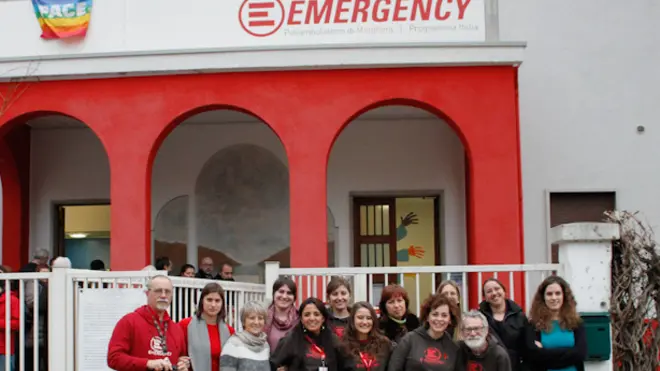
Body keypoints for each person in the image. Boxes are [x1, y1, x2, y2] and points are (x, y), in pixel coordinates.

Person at [107, 275, 189, 371]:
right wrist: (147, 363)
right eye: (158, 291)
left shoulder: (176, 328)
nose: (163, 295)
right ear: (147, 293)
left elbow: (182, 358)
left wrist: (183, 365)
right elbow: (113, 358)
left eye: (167, 291)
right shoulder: (129, 321)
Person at [387, 293, 461, 371]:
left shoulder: (453, 347)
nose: (439, 319)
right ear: (427, 317)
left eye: (444, 315)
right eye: (435, 314)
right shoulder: (409, 340)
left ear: (450, 320)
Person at [526, 276, 587, 371]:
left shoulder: (576, 323)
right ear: (543, 297)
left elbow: (580, 354)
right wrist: (569, 353)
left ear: (564, 296)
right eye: (549, 294)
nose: (554, 298)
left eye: (558, 293)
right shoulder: (533, 325)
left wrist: (545, 353)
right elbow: (534, 357)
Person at [270, 297, 343, 371]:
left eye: (316, 314)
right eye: (307, 315)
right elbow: (274, 364)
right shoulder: (291, 339)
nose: (312, 318)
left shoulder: (333, 340)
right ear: (301, 319)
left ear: (323, 318)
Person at [179, 282, 235, 371]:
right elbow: (178, 355)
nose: (213, 305)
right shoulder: (185, 325)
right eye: (209, 300)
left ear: (222, 304)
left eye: (217, 301)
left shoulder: (230, 331)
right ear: (202, 301)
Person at [478, 278, 530, 371]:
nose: (494, 293)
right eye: (489, 291)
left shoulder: (519, 315)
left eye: (497, 289)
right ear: (485, 297)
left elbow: (527, 347)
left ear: (504, 291)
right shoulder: (480, 318)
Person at [340, 302, 392, 371]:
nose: (365, 322)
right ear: (352, 320)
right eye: (360, 318)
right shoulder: (343, 346)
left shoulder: (384, 343)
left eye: (369, 318)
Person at [220, 301, 270, 371]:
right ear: (243, 321)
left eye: (260, 318)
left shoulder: (265, 345)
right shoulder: (233, 344)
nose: (256, 322)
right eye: (252, 318)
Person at [264, 277, 299, 352]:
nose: (284, 296)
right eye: (281, 291)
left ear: (294, 297)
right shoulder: (262, 317)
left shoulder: (300, 319)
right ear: (274, 293)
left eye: (289, 293)